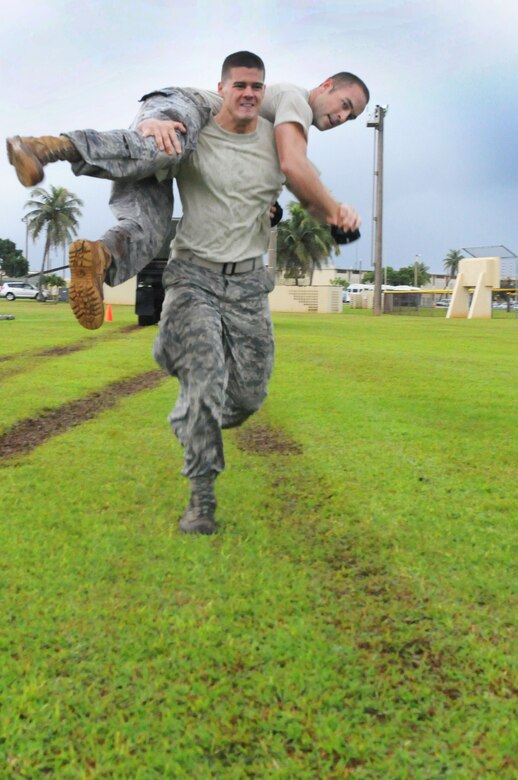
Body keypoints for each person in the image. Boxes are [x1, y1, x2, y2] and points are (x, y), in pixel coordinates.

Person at [6, 71, 368, 329]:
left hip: (189, 153)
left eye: (350, 117)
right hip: (188, 108)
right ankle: (45, 148)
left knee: (148, 230)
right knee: (161, 146)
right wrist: (335, 211)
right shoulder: (295, 101)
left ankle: (99, 257)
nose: (342, 116)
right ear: (326, 86)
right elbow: (295, 165)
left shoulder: (265, 142)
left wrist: (322, 216)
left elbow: (270, 181)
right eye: (345, 104)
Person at [152, 51, 285, 534]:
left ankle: (190, 405)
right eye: (240, 85)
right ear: (223, 87)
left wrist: (275, 211)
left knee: (247, 397)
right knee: (206, 381)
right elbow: (152, 138)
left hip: (249, 283)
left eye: (257, 86)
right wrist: (151, 127)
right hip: (194, 276)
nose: (249, 93)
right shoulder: (194, 132)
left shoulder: (277, 139)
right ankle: (201, 502)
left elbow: (267, 193)